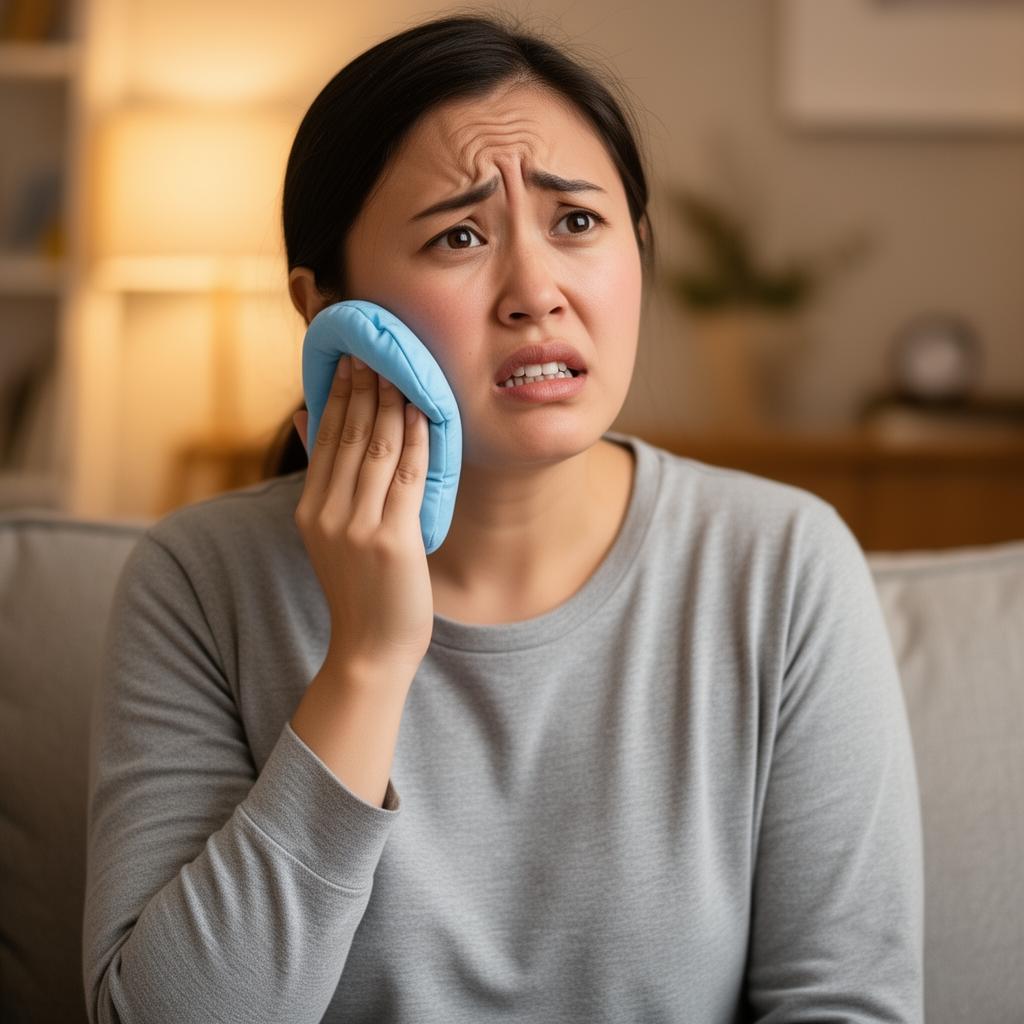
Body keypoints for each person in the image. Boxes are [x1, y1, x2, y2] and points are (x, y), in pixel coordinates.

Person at [83, 10, 924, 1023]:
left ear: (639, 252)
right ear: (326, 311)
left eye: (576, 223)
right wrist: (367, 660)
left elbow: (845, 1003)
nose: (536, 291)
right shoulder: (200, 579)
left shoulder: (782, 563)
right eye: (459, 235)